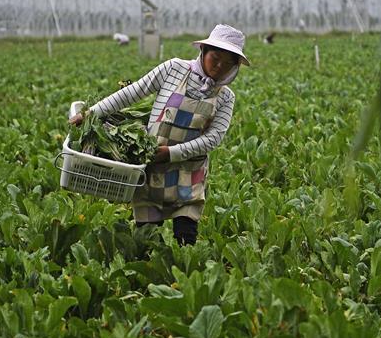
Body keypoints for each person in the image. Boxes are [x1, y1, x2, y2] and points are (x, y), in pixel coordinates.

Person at [70, 24, 249, 245]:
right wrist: (89, 113)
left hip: (188, 170)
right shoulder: (174, 69)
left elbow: (213, 138)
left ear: (235, 66)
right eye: (216, 57)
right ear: (203, 50)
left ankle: (185, 276)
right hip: (153, 163)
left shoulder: (225, 96)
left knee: (186, 236)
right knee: (146, 235)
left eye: (228, 63)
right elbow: (132, 92)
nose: (220, 66)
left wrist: (172, 152)